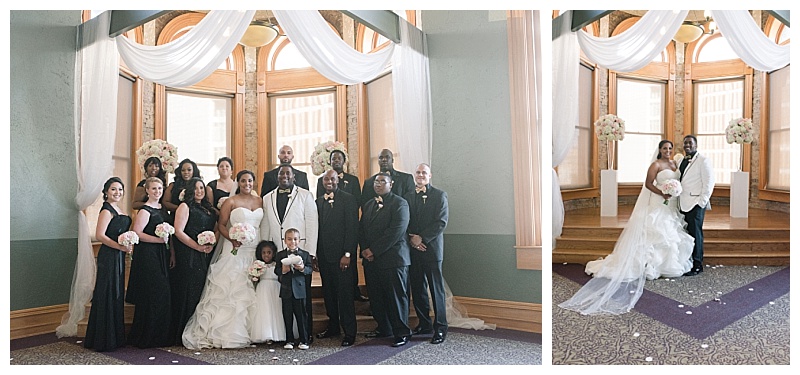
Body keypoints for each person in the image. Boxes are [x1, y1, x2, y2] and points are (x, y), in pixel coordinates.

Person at [559, 140, 695, 315]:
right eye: (664, 148)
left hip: (671, 204)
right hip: (658, 201)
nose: (667, 151)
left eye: (669, 148)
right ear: (659, 150)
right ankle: (650, 265)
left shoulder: (675, 163)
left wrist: (674, 190)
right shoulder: (655, 164)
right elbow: (648, 184)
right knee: (656, 230)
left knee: (671, 231)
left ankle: (667, 265)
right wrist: (662, 192)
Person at [182, 170, 263, 349]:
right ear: (238, 183)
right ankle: (226, 332)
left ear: (253, 182)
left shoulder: (259, 201)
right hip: (234, 248)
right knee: (232, 287)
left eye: (250, 180)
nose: (246, 184)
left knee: (253, 286)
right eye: (243, 181)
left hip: (253, 248)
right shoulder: (230, 201)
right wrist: (233, 238)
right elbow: (221, 224)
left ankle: (254, 331)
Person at [261, 164, 318, 341]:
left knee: (303, 297)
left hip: (300, 251)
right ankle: (287, 334)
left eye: (288, 173)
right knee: (285, 295)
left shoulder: (305, 195)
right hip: (279, 252)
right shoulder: (267, 197)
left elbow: (312, 223)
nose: (284, 176)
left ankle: (306, 334)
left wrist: (310, 253)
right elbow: (267, 226)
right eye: (281, 173)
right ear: (277, 177)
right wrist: (266, 252)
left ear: (294, 177)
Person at [359, 172, 412, 347]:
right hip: (372, 260)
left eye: (383, 181)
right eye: (376, 181)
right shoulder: (368, 205)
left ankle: (401, 332)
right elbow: (362, 229)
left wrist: (373, 250)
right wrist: (365, 250)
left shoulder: (400, 203)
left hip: (393, 260)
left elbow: (395, 232)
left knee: (396, 298)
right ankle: (384, 327)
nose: (379, 184)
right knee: (377, 297)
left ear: (391, 184)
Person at [83, 177, 132, 352]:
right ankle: (103, 338)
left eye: (120, 189)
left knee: (115, 292)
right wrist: (119, 246)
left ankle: (114, 336)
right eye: (113, 189)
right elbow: (101, 235)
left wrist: (127, 244)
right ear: (106, 192)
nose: (117, 192)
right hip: (109, 255)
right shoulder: (106, 210)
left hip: (118, 255)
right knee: (107, 292)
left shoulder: (118, 209)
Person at [168, 177, 218, 346]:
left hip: (205, 253)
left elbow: (217, 227)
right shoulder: (184, 206)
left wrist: (212, 242)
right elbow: (178, 231)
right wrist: (196, 247)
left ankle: (197, 328)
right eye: (196, 188)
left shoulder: (208, 208)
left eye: (202, 188)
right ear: (190, 190)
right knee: (189, 289)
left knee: (201, 290)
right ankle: (181, 330)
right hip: (188, 253)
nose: (199, 191)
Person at [404, 163, 449, 344]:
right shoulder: (407, 197)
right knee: (418, 289)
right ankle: (424, 324)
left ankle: (440, 327)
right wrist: (411, 239)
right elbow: (404, 220)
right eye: (418, 172)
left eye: (424, 172)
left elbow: (441, 221)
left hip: (432, 250)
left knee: (436, 289)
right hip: (413, 250)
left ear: (430, 176)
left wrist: (422, 239)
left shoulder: (439, 195)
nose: (420, 175)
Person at [125, 177, 172, 348]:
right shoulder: (145, 210)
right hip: (148, 254)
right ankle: (146, 336)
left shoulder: (163, 208)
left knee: (162, 294)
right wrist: (158, 241)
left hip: (161, 254)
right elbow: (137, 233)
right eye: (153, 189)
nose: (157, 192)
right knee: (153, 293)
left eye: (159, 188)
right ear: (147, 190)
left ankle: (160, 336)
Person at [315, 149, 367, 302]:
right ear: (329, 161)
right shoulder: (321, 181)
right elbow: (319, 202)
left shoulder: (353, 180)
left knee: (349, 273)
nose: (336, 160)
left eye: (339, 158)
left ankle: (354, 291)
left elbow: (357, 201)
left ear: (344, 161)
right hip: (328, 235)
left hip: (345, 225)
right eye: (333, 158)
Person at [315, 170, 358, 346]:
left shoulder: (348, 199)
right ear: (322, 181)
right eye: (326, 179)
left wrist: (347, 254)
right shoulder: (318, 202)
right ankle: (333, 326)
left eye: (332, 178)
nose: (329, 182)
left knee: (345, 295)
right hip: (324, 256)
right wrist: (316, 255)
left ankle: (349, 332)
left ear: (338, 180)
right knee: (329, 294)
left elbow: (352, 228)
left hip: (342, 258)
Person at [679, 135, 715, 276]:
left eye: (690, 143)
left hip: (696, 203)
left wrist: (701, 203)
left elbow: (709, 183)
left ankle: (698, 264)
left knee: (696, 233)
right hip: (682, 202)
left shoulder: (703, 160)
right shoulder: (682, 160)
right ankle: (688, 261)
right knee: (687, 234)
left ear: (696, 145)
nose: (687, 145)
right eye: (685, 143)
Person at [275, 228, 313, 350]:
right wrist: (282, 271)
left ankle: (304, 340)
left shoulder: (305, 254)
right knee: (287, 316)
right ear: (285, 240)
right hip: (286, 290)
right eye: (289, 239)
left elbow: (309, 269)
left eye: (295, 239)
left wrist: (302, 268)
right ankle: (289, 340)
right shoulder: (280, 255)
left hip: (300, 291)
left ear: (299, 240)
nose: (292, 242)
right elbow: (276, 270)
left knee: (302, 316)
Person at [250, 240, 286, 345]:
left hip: (275, 288)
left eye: (269, 252)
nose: (266, 255)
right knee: (265, 311)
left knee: (276, 310)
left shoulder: (277, 265)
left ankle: (279, 334)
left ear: (273, 253)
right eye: (264, 253)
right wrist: (255, 276)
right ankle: (267, 334)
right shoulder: (258, 265)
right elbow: (254, 278)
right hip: (263, 289)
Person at [164, 159, 212, 223]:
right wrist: (182, 209)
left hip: (196, 220)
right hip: (176, 218)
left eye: (189, 170)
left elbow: (206, 204)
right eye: (183, 170)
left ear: (194, 171)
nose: (186, 172)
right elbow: (165, 202)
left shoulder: (200, 186)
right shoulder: (173, 185)